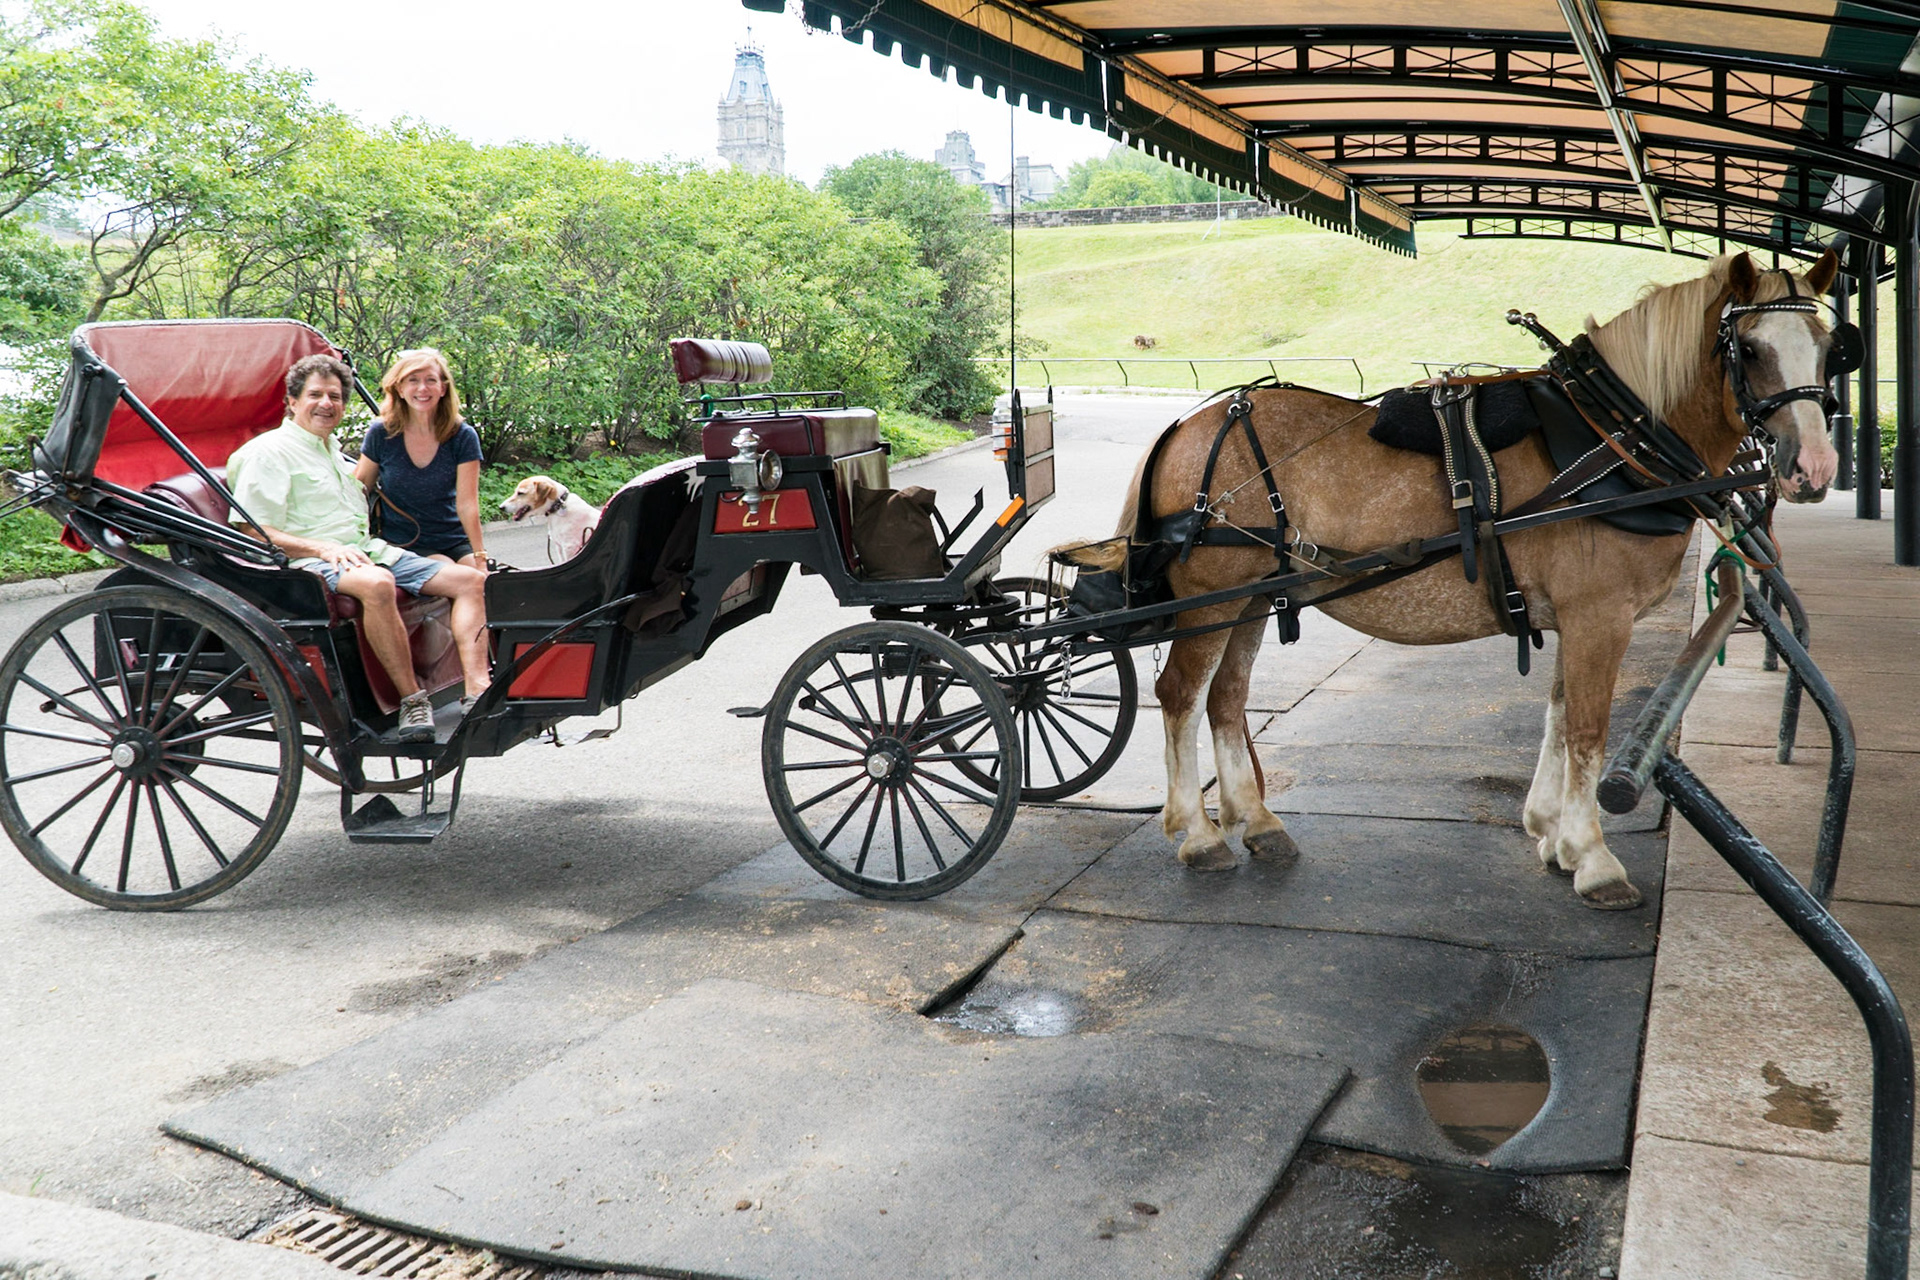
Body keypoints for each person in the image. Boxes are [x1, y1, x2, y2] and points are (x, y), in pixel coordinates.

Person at [226, 354, 490, 742]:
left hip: (364, 550)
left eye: (335, 396)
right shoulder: (269, 452)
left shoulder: (329, 449)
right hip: (305, 562)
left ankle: (477, 690)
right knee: (378, 584)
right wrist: (319, 548)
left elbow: (365, 489)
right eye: (315, 394)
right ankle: (412, 701)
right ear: (292, 402)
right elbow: (254, 530)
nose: (327, 403)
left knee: (469, 581)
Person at [354, 348, 486, 570]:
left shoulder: (462, 436)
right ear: (400, 389)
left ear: (443, 388)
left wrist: (481, 558)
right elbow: (358, 489)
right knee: (458, 576)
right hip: (406, 542)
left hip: (453, 539)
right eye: (413, 380)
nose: (422, 388)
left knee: (486, 581)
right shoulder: (382, 434)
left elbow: (467, 504)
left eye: (430, 380)